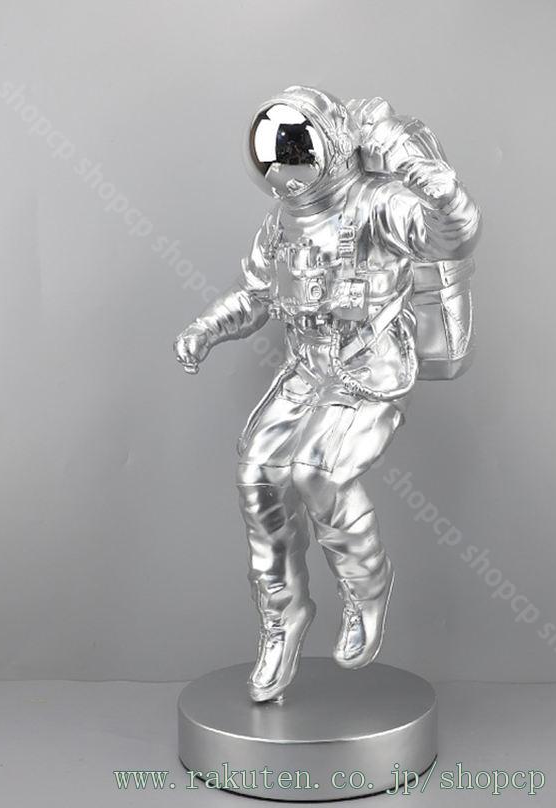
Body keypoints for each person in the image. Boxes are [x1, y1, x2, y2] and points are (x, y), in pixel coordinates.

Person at [175, 85, 480, 702]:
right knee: (258, 477)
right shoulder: (280, 224)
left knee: (318, 472)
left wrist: (443, 193)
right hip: (306, 372)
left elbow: (449, 237)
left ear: (332, 141)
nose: (284, 167)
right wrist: (206, 328)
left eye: (295, 150)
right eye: (273, 156)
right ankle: (282, 616)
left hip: (369, 371)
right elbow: (256, 295)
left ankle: (367, 588)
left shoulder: (377, 204)